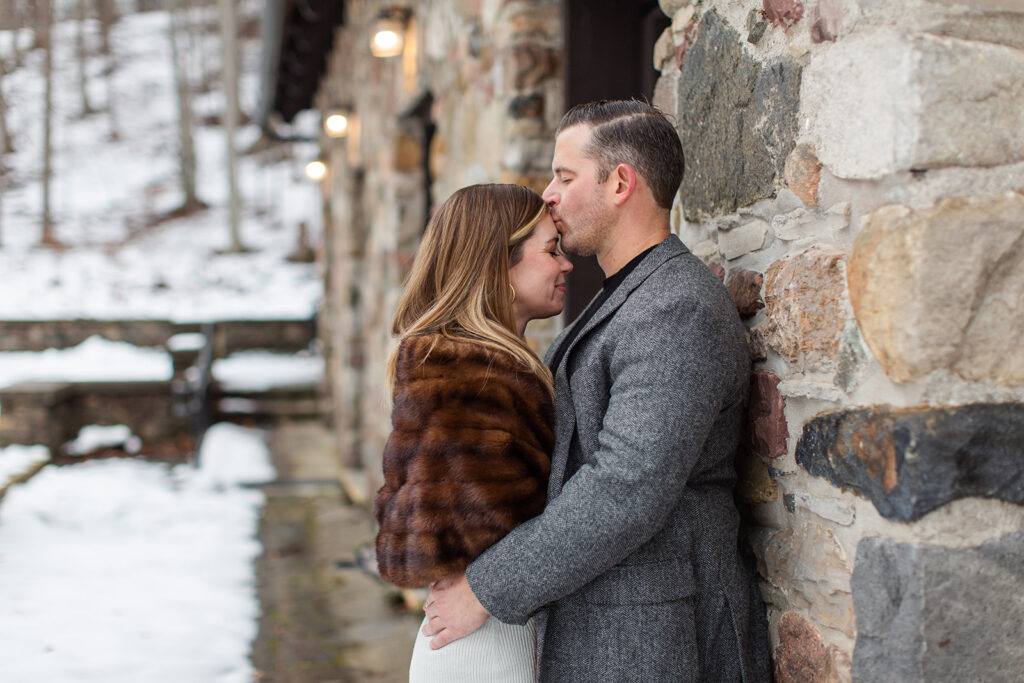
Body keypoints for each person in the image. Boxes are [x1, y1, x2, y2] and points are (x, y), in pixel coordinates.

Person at [422, 101, 771, 681]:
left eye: (564, 177)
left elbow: (626, 486)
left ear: (620, 183)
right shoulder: (623, 297)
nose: (548, 196)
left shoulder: (676, 309)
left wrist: (485, 589)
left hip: (659, 638)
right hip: (617, 627)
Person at [374, 183, 574, 682]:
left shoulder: (478, 364)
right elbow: (491, 527)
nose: (566, 265)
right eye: (551, 250)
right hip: (486, 647)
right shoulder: (473, 374)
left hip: (486, 629)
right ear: (497, 267)